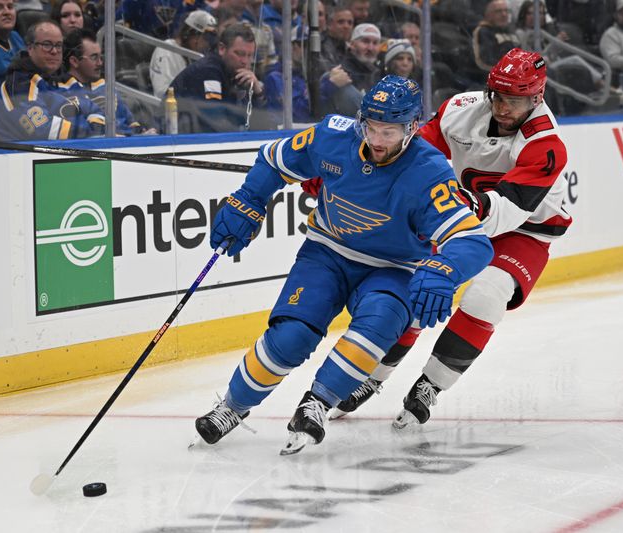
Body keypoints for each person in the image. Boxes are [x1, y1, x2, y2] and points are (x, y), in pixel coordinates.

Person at [192, 75, 493, 455]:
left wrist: (444, 269)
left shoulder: (430, 170)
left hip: (393, 267)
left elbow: (473, 241)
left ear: (412, 127)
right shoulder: (333, 136)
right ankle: (232, 407)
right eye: (371, 127)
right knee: (291, 337)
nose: (378, 140)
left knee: (380, 323)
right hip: (326, 252)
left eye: (390, 131)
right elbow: (274, 159)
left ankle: (318, 401)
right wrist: (250, 198)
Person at [330, 49, 572, 428]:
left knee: (487, 293)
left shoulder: (546, 145)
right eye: (498, 96)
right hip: (465, 216)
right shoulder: (460, 109)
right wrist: (366, 168)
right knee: (417, 288)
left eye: (516, 100)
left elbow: (509, 209)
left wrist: (451, 205)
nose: (504, 107)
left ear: (536, 98)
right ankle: (370, 377)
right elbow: (410, 150)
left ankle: (431, 385)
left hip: (525, 229)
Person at [0, 20, 105, 141]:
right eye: (47, 45)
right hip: (31, 156)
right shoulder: (18, 85)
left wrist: (97, 131)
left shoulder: (66, 80)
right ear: (30, 48)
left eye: (58, 45)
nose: (54, 51)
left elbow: (95, 109)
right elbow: (44, 131)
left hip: (77, 151)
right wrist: (92, 133)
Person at [169, 22, 266, 133]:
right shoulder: (208, 71)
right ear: (222, 49)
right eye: (239, 54)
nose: (245, 61)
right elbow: (216, 125)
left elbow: (264, 128)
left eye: (249, 56)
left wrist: (258, 93)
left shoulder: (238, 77)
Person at [62, 29, 156, 135]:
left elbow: (131, 123)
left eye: (100, 57)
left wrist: (142, 133)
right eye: (94, 57)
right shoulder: (62, 92)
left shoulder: (105, 87)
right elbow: (85, 134)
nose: (100, 63)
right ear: (74, 61)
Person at [149, 10, 217, 102]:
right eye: (206, 38)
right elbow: (162, 93)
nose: (207, 44)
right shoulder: (167, 52)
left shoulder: (193, 55)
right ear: (193, 35)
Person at [319, 22, 381, 117]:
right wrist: (329, 85)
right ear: (351, 44)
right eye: (365, 41)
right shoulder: (340, 72)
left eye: (375, 43)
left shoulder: (379, 75)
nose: (370, 48)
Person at [263, 24, 310, 124]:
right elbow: (296, 115)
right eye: (304, 46)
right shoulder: (275, 77)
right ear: (292, 46)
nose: (308, 51)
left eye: (310, 47)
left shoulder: (309, 75)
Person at [472, 0, 520, 71]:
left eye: (506, 11)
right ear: (489, 15)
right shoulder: (483, 31)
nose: (504, 14)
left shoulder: (511, 31)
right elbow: (485, 61)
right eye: (498, 11)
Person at [319, 4, 353, 72]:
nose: (346, 26)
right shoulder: (319, 46)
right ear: (329, 24)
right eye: (341, 22)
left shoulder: (351, 49)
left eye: (350, 23)